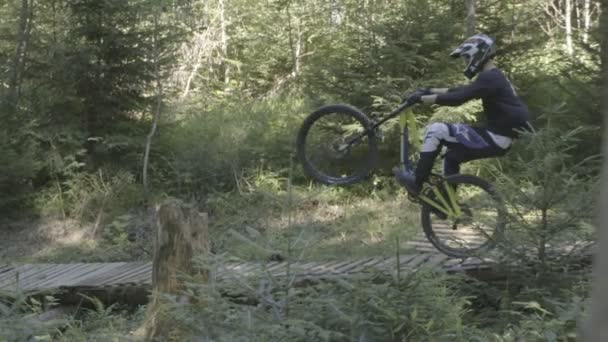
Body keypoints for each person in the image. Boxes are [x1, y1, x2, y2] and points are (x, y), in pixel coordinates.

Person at [394, 33, 532, 195]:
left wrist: (423, 98)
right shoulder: (492, 76)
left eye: (467, 58)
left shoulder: (491, 78)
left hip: (496, 137)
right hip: (499, 137)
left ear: (477, 54)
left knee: (436, 129)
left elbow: (458, 98)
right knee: (450, 156)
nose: (466, 62)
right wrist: (428, 91)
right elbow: (460, 90)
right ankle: (447, 201)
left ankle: (417, 182)